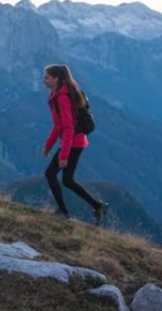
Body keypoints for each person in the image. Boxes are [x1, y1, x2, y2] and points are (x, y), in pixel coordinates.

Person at [42, 64, 108, 224]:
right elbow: (58, 126)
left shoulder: (62, 98)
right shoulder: (58, 94)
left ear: (56, 79)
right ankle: (98, 206)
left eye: (47, 77)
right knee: (67, 180)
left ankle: (63, 212)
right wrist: (48, 145)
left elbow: (68, 128)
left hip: (73, 142)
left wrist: (63, 155)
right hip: (75, 142)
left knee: (50, 174)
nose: (44, 80)